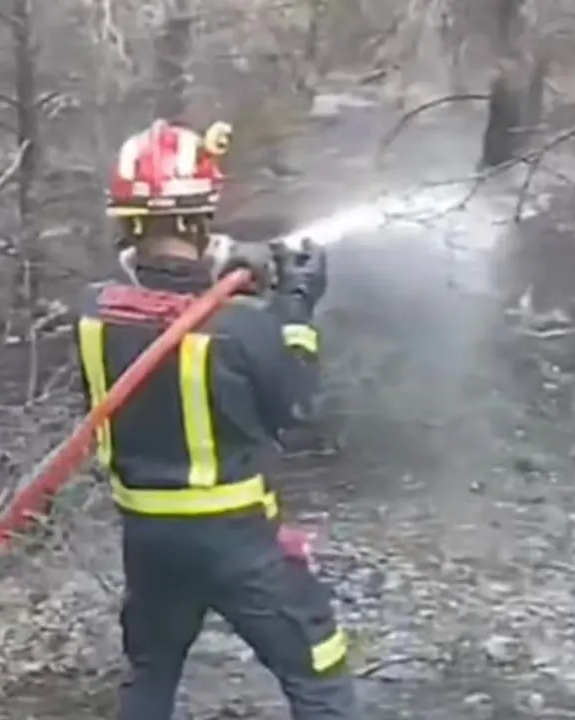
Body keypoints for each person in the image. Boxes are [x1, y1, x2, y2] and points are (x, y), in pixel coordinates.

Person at [73, 118, 358, 720]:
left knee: (151, 673)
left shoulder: (93, 314)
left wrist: (229, 277)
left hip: (147, 538)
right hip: (236, 539)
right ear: (200, 219)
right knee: (319, 675)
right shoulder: (240, 327)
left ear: (126, 221)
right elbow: (294, 409)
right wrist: (295, 309)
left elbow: (157, 307)